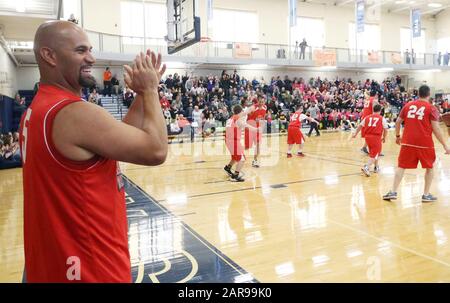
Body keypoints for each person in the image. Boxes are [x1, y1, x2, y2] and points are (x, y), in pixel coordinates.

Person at [19, 20, 168, 282]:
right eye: (80, 50)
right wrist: (151, 91)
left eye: (89, 49)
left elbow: (114, 145)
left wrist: (140, 98)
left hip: (54, 262)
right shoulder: (73, 113)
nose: (91, 57)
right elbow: (155, 150)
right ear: (49, 55)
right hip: (90, 267)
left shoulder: (38, 108)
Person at [383, 85, 450, 203]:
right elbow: (436, 129)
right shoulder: (431, 108)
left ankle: (393, 191)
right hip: (425, 143)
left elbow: (398, 121)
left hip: (408, 142)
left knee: (401, 166)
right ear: (429, 94)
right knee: (429, 168)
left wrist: (398, 136)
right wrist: (445, 144)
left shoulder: (408, 106)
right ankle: (426, 194)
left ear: (418, 93)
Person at [224, 104, 257, 182]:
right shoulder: (237, 118)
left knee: (235, 157)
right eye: (242, 111)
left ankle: (228, 168)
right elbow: (245, 123)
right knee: (242, 159)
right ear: (240, 112)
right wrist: (252, 108)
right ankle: (235, 176)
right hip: (233, 141)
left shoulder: (231, 118)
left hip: (229, 140)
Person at [352, 104, 388, 176]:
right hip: (376, 137)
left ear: (373, 110)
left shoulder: (367, 117)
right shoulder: (382, 118)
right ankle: (366, 167)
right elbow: (385, 129)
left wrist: (355, 133)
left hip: (367, 137)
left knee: (374, 153)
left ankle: (376, 167)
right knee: (375, 154)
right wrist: (384, 137)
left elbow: (360, 126)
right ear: (380, 111)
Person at [245, 95, 267, 168]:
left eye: (262, 102)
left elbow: (263, 118)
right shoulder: (253, 108)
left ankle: (255, 161)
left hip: (258, 129)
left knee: (258, 144)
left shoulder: (265, 108)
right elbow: (246, 116)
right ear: (258, 101)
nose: (261, 103)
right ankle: (239, 156)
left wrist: (262, 126)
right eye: (260, 101)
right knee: (247, 147)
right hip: (250, 128)